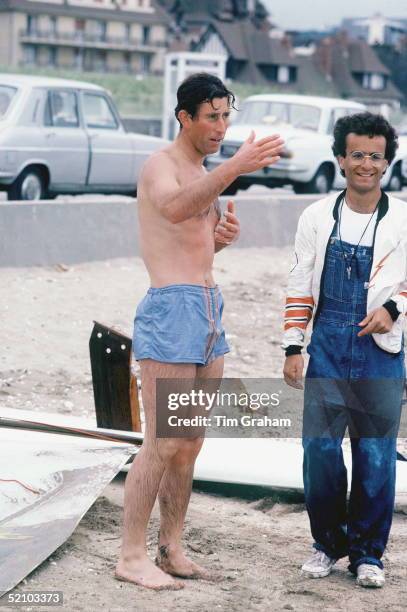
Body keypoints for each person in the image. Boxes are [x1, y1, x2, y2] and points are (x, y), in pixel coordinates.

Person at [115, 72, 284, 590]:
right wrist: (235, 167)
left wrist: (221, 240)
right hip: (172, 310)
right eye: (212, 117)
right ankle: (129, 555)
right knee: (162, 440)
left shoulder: (200, 169)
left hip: (209, 309)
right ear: (185, 117)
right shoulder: (159, 165)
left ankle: (171, 546)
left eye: (226, 116)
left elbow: (190, 237)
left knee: (189, 442)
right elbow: (172, 207)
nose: (221, 126)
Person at [283, 112, 407, 588]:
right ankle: (327, 545)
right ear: (340, 159)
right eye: (357, 154)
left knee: (375, 453)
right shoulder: (315, 217)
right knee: (319, 450)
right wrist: (294, 344)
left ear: (387, 162)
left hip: (380, 349)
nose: (366, 164)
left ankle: (368, 555)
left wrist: (393, 308)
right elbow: (299, 282)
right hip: (328, 347)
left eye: (375, 156)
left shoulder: (401, 219)